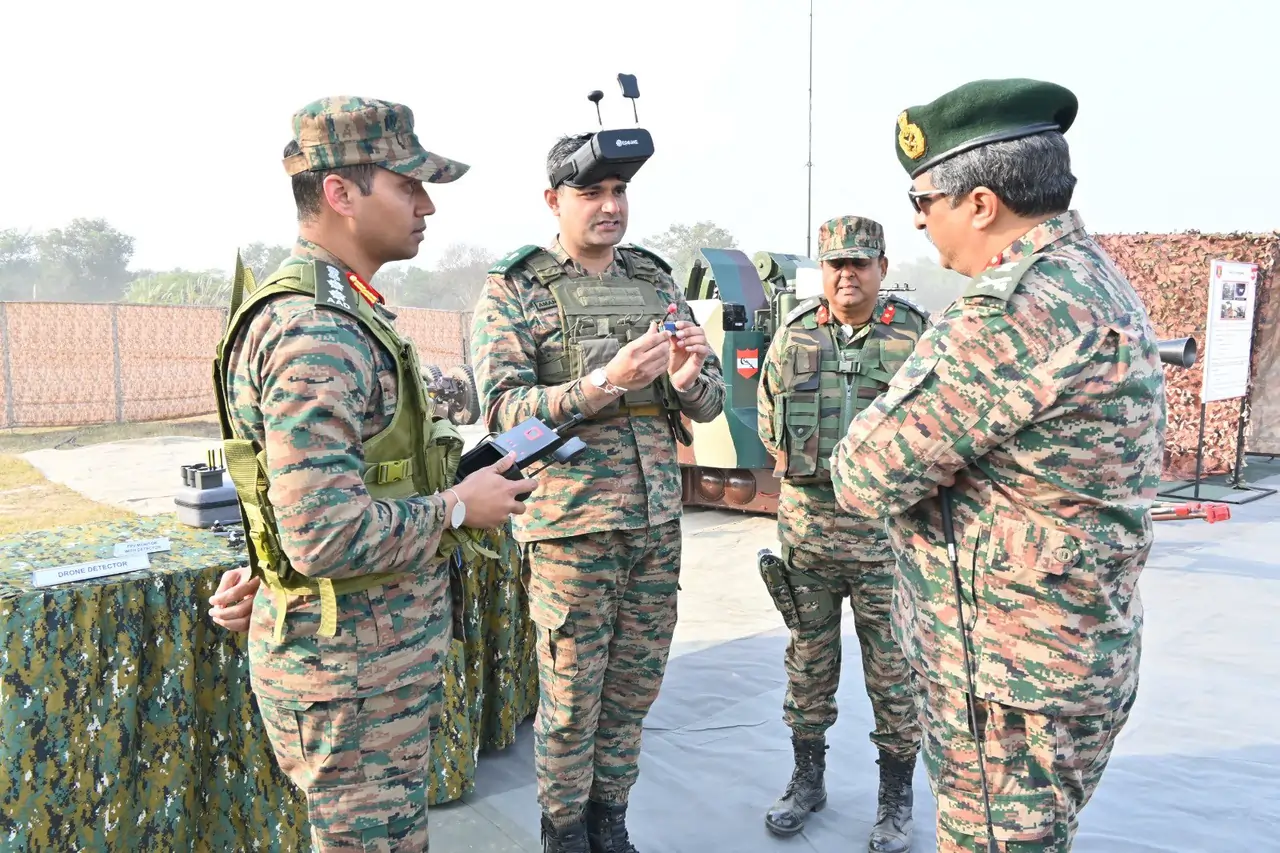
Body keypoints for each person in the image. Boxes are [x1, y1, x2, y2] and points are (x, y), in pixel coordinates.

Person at [831, 78, 1167, 852]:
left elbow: (862, 473)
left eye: (923, 201)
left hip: (1012, 685)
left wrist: (936, 466)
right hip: (1066, 657)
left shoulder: (1014, 308)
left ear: (980, 204)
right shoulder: (1093, 276)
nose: (918, 222)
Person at [210, 95, 536, 853]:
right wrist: (459, 507)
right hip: (349, 678)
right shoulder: (314, 333)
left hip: (369, 665)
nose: (426, 205)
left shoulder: (346, 310)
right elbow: (325, 533)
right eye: (408, 185)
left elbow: (299, 487)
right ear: (340, 193)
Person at [470, 132, 726, 853]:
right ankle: (564, 831)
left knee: (633, 691)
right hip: (570, 528)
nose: (610, 207)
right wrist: (603, 383)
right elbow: (503, 413)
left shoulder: (654, 278)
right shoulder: (514, 288)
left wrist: (683, 379)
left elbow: (707, 407)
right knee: (574, 697)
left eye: (619, 192)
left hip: (654, 524)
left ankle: (611, 823)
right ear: (555, 201)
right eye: (593, 193)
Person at [756, 214, 928, 851]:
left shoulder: (916, 335)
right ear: (822, 270)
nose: (847, 274)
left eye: (859, 263)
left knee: (895, 672)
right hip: (809, 537)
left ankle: (895, 799)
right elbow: (768, 423)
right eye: (836, 264)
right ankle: (807, 781)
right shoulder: (794, 336)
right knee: (808, 664)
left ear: (882, 266)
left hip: (888, 543)